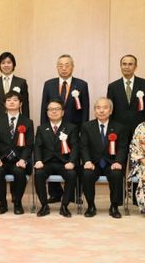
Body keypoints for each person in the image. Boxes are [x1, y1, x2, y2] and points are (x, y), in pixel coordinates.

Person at [40, 54, 89, 203]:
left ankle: (75, 194)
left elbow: (85, 109)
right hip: (53, 128)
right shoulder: (49, 84)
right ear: (57, 67)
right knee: (52, 158)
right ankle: (55, 193)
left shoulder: (81, 85)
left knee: (73, 162)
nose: (64, 68)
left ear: (72, 67)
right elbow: (44, 108)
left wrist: (83, 131)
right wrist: (44, 129)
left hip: (74, 129)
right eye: (61, 65)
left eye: (67, 65)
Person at [107, 54, 145, 204]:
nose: (127, 66)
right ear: (120, 66)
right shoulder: (113, 86)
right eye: (124, 64)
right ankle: (118, 198)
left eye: (130, 64)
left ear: (135, 66)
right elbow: (109, 110)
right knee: (119, 162)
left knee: (137, 163)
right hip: (118, 132)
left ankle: (135, 197)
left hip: (138, 131)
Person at [80, 97, 128, 218]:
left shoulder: (119, 127)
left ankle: (114, 206)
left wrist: (118, 162)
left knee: (117, 174)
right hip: (93, 163)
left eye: (105, 108)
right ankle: (91, 206)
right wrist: (87, 161)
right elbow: (84, 146)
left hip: (111, 163)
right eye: (98, 108)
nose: (101, 111)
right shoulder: (87, 126)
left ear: (110, 111)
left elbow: (122, 147)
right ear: (95, 111)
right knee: (86, 174)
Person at [0, 90, 33, 215]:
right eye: (8, 100)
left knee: (20, 172)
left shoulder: (27, 122)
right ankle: (2, 203)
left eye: (15, 100)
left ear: (20, 103)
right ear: (4, 104)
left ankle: (17, 203)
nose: (12, 102)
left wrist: (23, 159)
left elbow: (29, 145)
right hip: (1, 159)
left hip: (18, 160)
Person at [34, 98, 79, 218]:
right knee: (38, 174)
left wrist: (72, 162)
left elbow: (75, 147)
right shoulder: (41, 128)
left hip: (64, 163)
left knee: (71, 174)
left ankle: (64, 206)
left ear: (63, 112)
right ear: (47, 112)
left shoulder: (71, 128)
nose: (54, 112)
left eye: (57, 109)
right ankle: (44, 205)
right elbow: (37, 147)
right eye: (51, 109)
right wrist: (38, 160)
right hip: (46, 163)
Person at [0, 52, 29, 127]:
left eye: (9, 62)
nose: (6, 65)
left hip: (16, 121)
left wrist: (26, 124)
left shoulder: (21, 82)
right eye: (3, 63)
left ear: (13, 64)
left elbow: (25, 106)